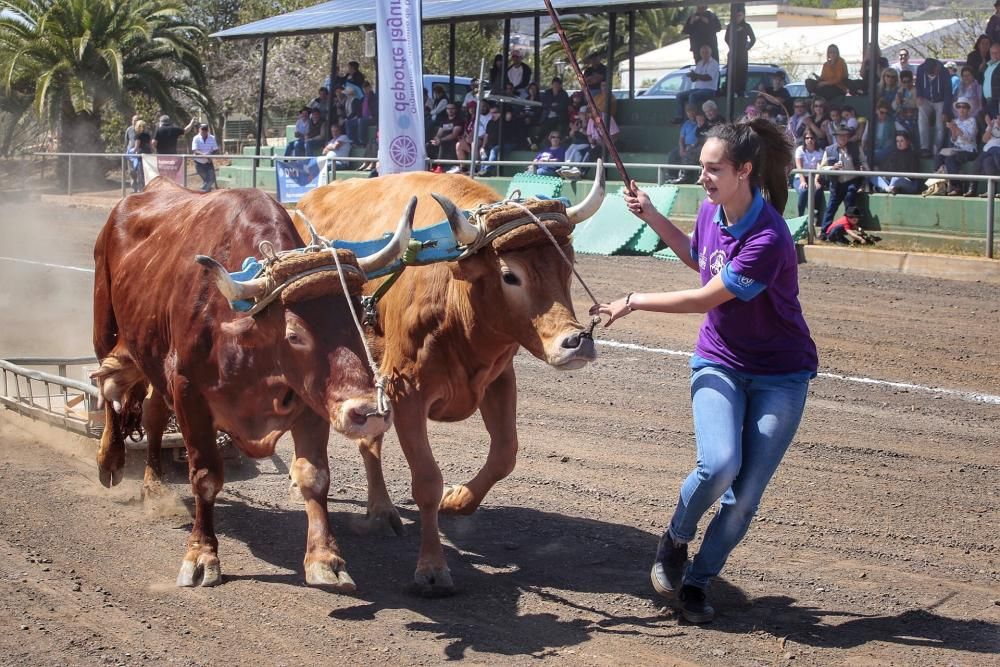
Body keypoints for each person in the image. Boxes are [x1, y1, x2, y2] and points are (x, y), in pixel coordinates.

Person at [589, 118, 817, 624]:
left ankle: (698, 581)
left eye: (713, 170)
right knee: (718, 465)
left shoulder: (770, 238)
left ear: (744, 171)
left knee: (744, 499)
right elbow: (700, 258)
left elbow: (704, 297)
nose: (704, 179)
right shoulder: (715, 213)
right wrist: (650, 216)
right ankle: (675, 538)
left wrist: (633, 300)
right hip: (720, 360)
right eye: (702, 169)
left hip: (782, 374)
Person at [819, 124, 869, 239]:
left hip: (852, 180)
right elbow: (822, 168)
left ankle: (851, 230)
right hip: (837, 183)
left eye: (845, 136)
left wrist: (865, 172)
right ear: (836, 137)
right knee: (831, 207)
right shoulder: (829, 150)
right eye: (841, 136)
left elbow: (863, 161)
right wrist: (832, 167)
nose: (843, 138)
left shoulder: (855, 147)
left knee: (850, 197)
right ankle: (824, 232)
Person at [934, 96, 978, 196]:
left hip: (969, 150)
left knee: (950, 160)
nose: (961, 109)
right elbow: (953, 139)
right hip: (957, 149)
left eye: (964, 107)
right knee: (938, 157)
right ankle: (939, 184)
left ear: (968, 109)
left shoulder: (972, 121)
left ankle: (957, 187)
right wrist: (953, 129)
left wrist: (955, 127)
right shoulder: (956, 121)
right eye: (959, 107)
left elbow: (969, 138)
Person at [673, 44, 719, 123]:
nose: (704, 54)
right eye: (703, 52)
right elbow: (695, 79)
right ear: (700, 53)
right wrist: (692, 75)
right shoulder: (700, 63)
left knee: (692, 96)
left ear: (710, 53)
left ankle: (693, 118)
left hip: (709, 90)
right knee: (679, 95)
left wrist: (696, 75)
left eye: (706, 52)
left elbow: (708, 77)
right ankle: (679, 117)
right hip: (697, 89)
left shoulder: (713, 63)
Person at [916, 58, 953, 157]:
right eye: (930, 73)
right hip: (926, 98)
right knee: (921, 119)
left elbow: (948, 93)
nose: (933, 74)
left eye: (934, 72)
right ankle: (924, 148)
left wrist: (945, 111)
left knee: (940, 125)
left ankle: (936, 149)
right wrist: (919, 95)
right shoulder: (920, 69)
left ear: (937, 67)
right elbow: (918, 84)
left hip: (940, 100)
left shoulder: (944, 72)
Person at [723, 4, 755, 97]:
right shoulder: (730, 26)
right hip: (733, 53)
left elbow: (753, 39)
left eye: (740, 16)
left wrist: (747, 47)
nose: (738, 18)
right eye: (737, 16)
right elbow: (726, 38)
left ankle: (741, 91)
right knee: (731, 73)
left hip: (743, 54)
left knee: (742, 73)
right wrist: (732, 46)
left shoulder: (747, 26)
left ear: (743, 16)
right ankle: (731, 91)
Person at [794, 131, 825, 217]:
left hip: (814, 177)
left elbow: (819, 167)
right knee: (804, 190)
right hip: (800, 177)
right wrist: (803, 181)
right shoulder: (800, 150)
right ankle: (800, 216)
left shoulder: (819, 151)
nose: (809, 140)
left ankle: (815, 217)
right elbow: (799, 167)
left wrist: (816, 180)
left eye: (812, 138)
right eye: (807, 138)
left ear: (815, 139)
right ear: (804, 140)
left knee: (818, 190)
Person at [667, 104, 700, 182]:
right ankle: (671, 176)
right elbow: (681, 138)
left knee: (689, 153)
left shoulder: (700, 122)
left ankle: (684, 177)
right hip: (685, 146)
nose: (691, 114)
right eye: (688, 112)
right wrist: (682, 148)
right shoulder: (686, 124)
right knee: (673, 154)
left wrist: (692, 146)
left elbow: (702, 136)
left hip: (696, 147)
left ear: (695, 112)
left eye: (692, 111)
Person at [427, 103, 463, 172]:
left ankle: (439, 166)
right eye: (448, 109)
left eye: (452, 109)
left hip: (453, 140)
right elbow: (439, 133)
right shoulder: (444, 120)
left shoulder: (458, 120)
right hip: (442, 140)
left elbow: (454, 134)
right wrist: (436, 139)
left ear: (455, 110)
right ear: (446, 110)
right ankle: (430, 165)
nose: (450, 110)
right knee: (428, 144)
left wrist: (440, 140)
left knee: (442, 144)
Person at [556, 109, 592, 180]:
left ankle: (571, 168)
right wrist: (573, 129)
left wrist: (581, 129)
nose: (581, 115)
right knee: (568, 150)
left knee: (575, 149)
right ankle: (565, 167)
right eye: (580, 113)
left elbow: (590, 136)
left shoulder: (590, 122)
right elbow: (571, 135)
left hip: (586, 143)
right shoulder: (577, 122)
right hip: (576, 143)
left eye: (583, 114)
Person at [973, 115, 1000, 194]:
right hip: (988, 151)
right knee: (987, 162)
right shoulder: (992, 123)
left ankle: (973, 186)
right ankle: (992, 191)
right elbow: (984, 140)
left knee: (990, 153)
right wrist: (990, 126)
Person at [539, 77, 571, 141]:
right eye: (555, 84)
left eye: (558, 84)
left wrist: (550, 106)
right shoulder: (547, 92)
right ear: (552, 84)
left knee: (548, 123)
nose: (556, 86)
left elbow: (562, 107)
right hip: (547, 115)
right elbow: (543, 104)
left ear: (560, 85)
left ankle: (537, 139)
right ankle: (537, 140)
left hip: (559, 116)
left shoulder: (564, 94)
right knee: (546, 123)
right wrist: (551, 105)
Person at [191, 123, 219, 192]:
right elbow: (195, 150)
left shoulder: (212, 138)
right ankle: (204, 191)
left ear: (208, 130)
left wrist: (210, 155)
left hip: (208, 163)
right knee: (207, 180)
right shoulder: (196, 138)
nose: (204, 131)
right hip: (199, 163)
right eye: (202, 129)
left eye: (205, 129)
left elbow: (215, 149)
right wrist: (205, 155)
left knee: (211, 179)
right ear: (199, 130)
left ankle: (202, 192)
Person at [129, 119, 153, 193]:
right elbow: (151, 146)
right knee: (148, 173)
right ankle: (148, 189)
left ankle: (142, 190)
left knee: (141, 174)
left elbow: (136, 148)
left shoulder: (138, 136)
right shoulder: (148, 135)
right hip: (148, 155)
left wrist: (130, 151)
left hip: (141, 156)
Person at [984, 43, 1000, 119]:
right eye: (992, 53)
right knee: (991, 124)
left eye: (996, 52)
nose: (994, 55)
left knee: (997, 124)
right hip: (988, 99)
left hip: (997, 100)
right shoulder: (989, 65)